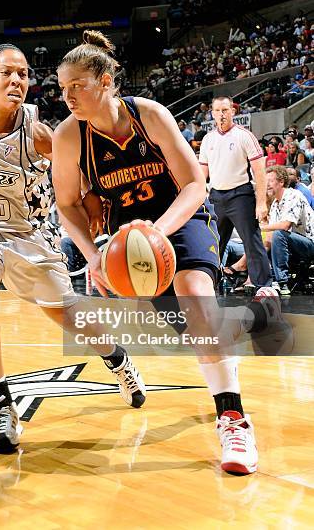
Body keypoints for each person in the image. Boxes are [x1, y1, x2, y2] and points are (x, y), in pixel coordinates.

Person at [0, 43, 146, 454]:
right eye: (7, 72)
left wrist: (92, 199)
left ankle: (117, 358)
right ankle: (1, 405)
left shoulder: (38, 132)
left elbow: (77, 168)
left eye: (23, 74)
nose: (17, 80)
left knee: (71, 318)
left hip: (26, 237)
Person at [52, 30, 261, 475]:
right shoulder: (69, 136)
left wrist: (158, 233)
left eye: (77, 86)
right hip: (125, 242)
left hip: (178, 220)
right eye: (61, 87)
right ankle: (225, 347)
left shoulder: (149, 114)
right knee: (191, 328)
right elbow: (67, 204)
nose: (67, 95)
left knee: (195, 295)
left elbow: (194, 184)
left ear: (106, 81)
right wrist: (92, 255)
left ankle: (233, 419)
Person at [199, 96, 272, 290]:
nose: (221, 114)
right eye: (217, 111)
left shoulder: (244, 135)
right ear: (212, 114)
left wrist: (261, 202)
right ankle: (208, 286)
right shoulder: (207, 139)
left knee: (252, 242)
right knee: (211, 244)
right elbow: (201, 174)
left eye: (225, 110)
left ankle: (264, 287)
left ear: (233, 111)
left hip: (241, 195)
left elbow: (259, 171)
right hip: (215, 197)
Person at [263, 166, 314, 295]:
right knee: (269, 239)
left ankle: (281, 282)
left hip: (310, 244)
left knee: (279, 234)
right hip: (295, 243)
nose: (267, 185)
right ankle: (264, 279)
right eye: (265, 181)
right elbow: (270, 234)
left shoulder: (293, 195)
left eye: (270, 181)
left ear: (281, 182)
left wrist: (259, 227)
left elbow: (285, 225)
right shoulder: (275, 204)